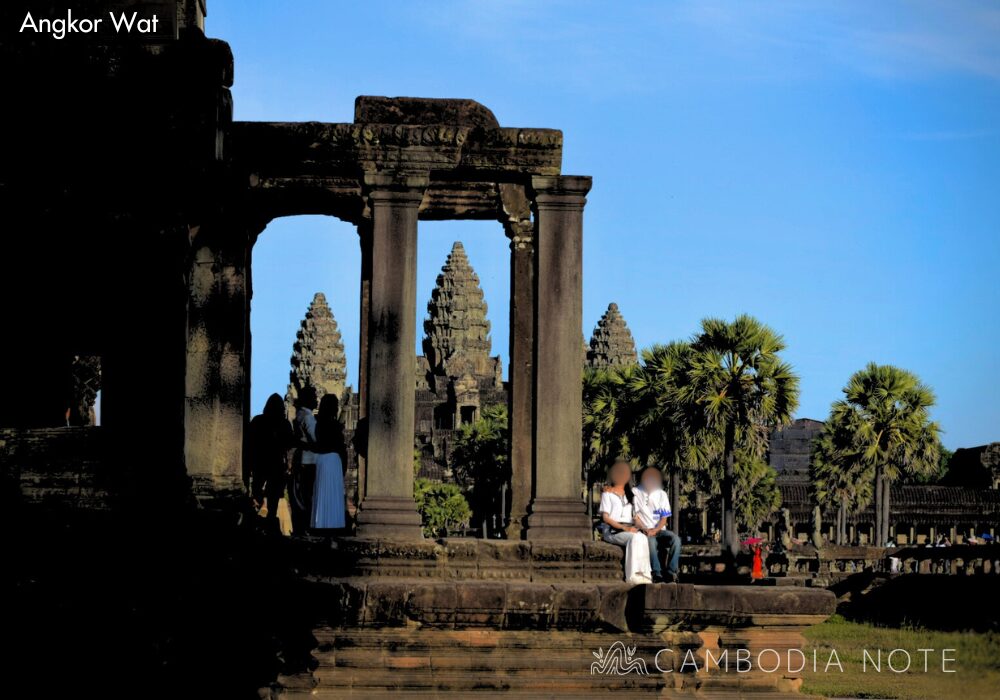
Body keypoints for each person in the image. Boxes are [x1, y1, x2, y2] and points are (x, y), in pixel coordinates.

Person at [598, 460, 652, 585]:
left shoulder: (630, 495)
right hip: (612, 530)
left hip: (628, 528)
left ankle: (645, 574)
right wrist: (624, 528)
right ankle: (632, 575)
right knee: (635, 539)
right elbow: (605, 518)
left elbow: (635, 518)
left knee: (642, 537)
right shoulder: (607, 493)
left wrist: (645, 528)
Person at [246, 393, 293, 529]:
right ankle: (269, 517)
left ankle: (260, 513)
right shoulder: (283, 423)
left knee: (259, 490)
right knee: (272, 496)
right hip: (274, 463)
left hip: (261, 462)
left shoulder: (258, 421)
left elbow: (249, 443)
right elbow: (289, 444)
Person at [632, 466, 681, 583]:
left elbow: (664, 518)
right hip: (645, 530)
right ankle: (656, 573)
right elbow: (636, 517)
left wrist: (656, 529)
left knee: (676, 540)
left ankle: (671, 571)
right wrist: (645, 529)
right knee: (651, 541)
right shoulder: (635, 492)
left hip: (659, 530)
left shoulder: (662, 494)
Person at [311, 393, 348, 530]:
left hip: (322, 460)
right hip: (332, 460)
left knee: (323, 492)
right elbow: (339, 444)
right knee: (333, 492)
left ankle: (322, 522)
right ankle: (333, 523)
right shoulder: (333, 425)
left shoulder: (318, 424)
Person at [290, 386, 319, 533]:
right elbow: (315, 440)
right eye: (314, 397)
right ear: (307, 399)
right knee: (307, 496)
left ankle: (302, 527)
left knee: (301, 495)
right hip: (309, 461)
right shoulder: (308, 417)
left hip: (301, 459)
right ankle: (307, 528)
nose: (316, 400)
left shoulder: (300, 414)